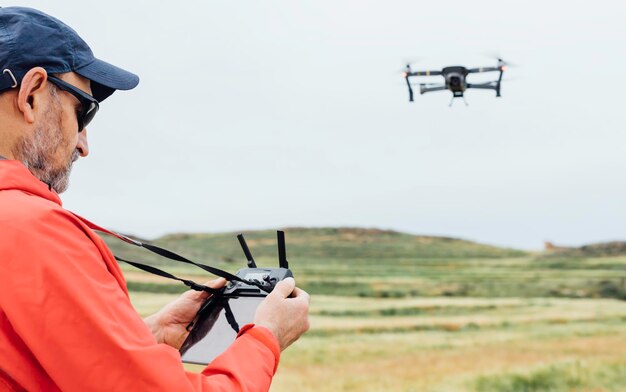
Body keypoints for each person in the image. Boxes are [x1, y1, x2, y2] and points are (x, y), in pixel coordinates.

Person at [0, 6, 310, 391]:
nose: (83, 145)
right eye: (84, 112)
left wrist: (147, 337)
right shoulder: (31, 230)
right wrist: (265, 338)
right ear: (30, 95)